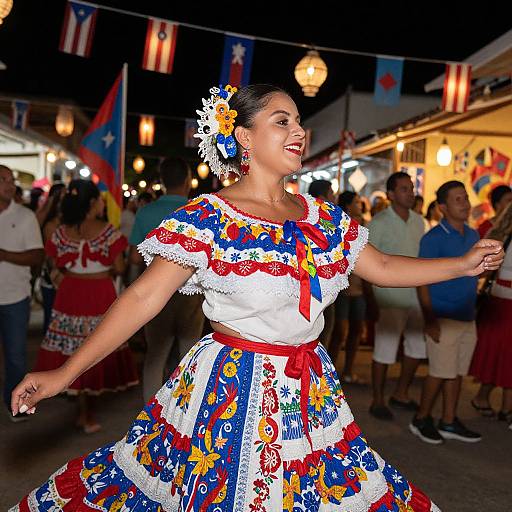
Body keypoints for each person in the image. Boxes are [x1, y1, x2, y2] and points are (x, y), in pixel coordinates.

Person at [10, 85, 503, 512]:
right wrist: (64, 373)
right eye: (281, 120)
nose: (299, 131)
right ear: (244, 137)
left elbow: (385, 267)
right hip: (230, 391)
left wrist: (461, 265)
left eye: (299, 121)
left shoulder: (324, 218)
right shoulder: (209, 217)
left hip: (308, 391)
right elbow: (141, 299)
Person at [32, 179, 138, 433]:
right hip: (98, 292)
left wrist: (67, 278)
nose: (103, 203)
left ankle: (81, 406)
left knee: (73, 348)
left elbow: (54, 264)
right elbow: (121, 268)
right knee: (95, 347)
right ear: (92, 202)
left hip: (70, 292)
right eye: (100, 199)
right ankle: (85, 411)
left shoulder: (61, 231)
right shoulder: (108, 231)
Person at [410, 181, 481, 444]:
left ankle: (448, 420)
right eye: (458, 199)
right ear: (442, 207)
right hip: (442, 316)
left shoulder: (473, 236)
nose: (465, 204)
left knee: (457, 372)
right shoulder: (433, 238)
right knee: (440, 372)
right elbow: (422, 280)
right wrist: (429, 318)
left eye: (465, 198)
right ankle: (421, 417)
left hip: (466, 316)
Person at [129, 157, 205, 402]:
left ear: (161, 182)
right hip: (190, 295)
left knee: (155, 357)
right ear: (187, 181)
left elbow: (133, 258)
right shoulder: (197, 211)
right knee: (188, 355)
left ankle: (149, 416)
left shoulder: (145, 212)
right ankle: (184, 411)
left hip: (154, 294)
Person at [367, 172, 427, 420]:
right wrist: (371, 300)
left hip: (416, 293)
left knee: (417, 348)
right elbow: (366, 264)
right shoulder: (378, 223)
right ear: (391, 195)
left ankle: (401, 392)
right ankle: (378, 399)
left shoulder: (419, 221)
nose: (410, 193)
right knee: (385, 350)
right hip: (389, 296)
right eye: (404, 189)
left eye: (411, 188)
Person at [0, 165, 44, 421]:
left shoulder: (25, 216)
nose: (10, 184)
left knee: (15, 357)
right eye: (3, 179)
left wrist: (5, 255)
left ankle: (15, 404)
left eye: (11, 180)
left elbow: (38, 255)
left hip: (15, 298)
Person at [470, 201, 512, 429]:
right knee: (502, 355)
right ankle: (505, 407)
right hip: (504, 302)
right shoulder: (502, 236)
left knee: (500, 354)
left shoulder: (500, 233)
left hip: (500, 300)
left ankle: (502, 405)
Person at [329, 191, 367, 384]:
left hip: (359, 287)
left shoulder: (363, 226)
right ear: (347, 205)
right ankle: (331, 371)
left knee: (356, 331)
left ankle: (349, 370)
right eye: (356, 202)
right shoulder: (341, 225)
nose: (360, 205)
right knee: (339, 331)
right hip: (343, 288)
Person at [307, 179, 336, 348]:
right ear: (321, 196)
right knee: (322, 333)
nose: (334, 196)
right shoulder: (321, 217)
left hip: (321, 284)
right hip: (317, 284)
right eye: (331, 193)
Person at [38, 183, 66, 335]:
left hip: (67, 278)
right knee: (51, 321)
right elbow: (52, 256)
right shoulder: (51, 224)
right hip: (53, 279)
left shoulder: (71, 223)